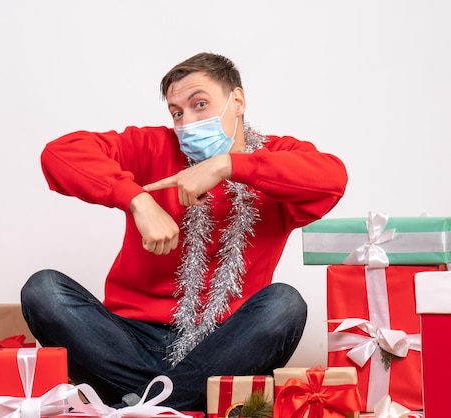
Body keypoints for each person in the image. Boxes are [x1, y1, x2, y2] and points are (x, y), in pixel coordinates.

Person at [21, 52, 348, 411]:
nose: (187, 122)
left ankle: (143, 405)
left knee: (285, 304)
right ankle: (173, 403)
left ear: (237, 101)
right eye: (177, 112)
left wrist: (228, 166)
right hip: (130, 340)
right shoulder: (153, 147)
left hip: (224, 344)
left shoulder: (274, 157)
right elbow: (60, 153)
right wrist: (136, 200)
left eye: (200, 105)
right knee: (44, 290)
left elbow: (331, 178)